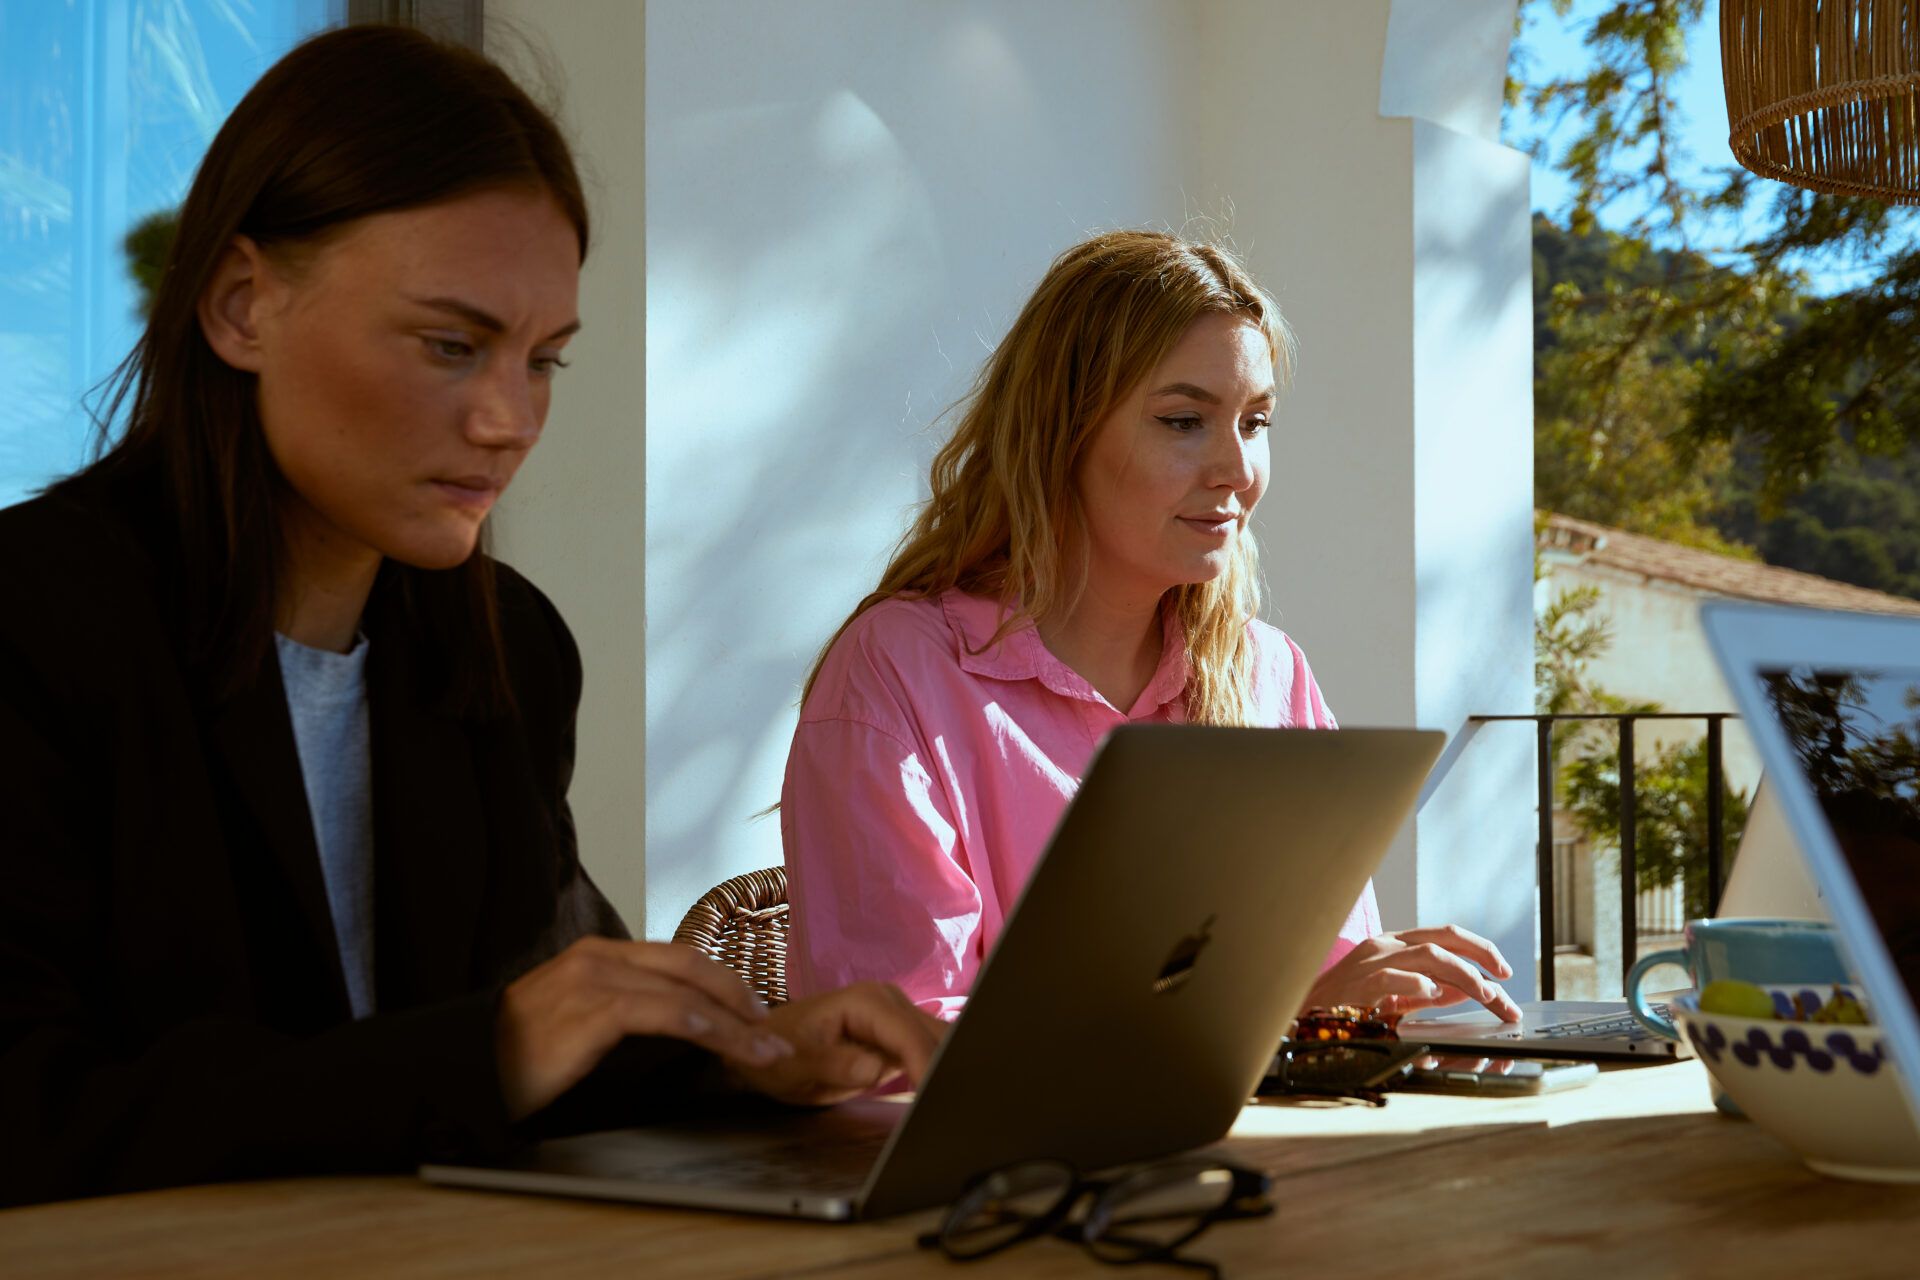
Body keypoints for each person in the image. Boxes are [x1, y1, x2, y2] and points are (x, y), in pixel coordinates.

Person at [0, 25, 939, 1209]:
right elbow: (31, 1108)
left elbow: (558, 1037)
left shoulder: (510, 648)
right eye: (453, 345)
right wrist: (491, 1049)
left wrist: (757, 1056)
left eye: (544, 359)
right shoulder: (34, 620)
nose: (509, 420)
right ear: (241, 306)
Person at [780, 230, 1523, 1024]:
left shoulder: (1270, 676)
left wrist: (1371, 1004)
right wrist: (1281, 1017)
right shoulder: (896, 674)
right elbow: (896, 1048)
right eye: (1182, 421)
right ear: (1060, 433)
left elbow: (1335, 994)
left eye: (1256, 422)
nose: (1237, 471)